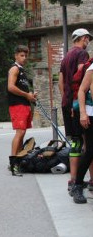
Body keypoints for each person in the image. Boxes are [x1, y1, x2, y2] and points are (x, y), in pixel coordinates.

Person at [59, 28, 93, 191]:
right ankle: (90, 181)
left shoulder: (65, 57)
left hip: (67, 102)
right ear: (84, 38)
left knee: (76, 141)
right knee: (88, 145)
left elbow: (61, 82)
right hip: (78, 104)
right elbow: (80, 79)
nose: (88, 42)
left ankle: (73, 180)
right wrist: (77, 106)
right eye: (88, 39)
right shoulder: (82, 55)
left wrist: (67, 101)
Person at [7, 45, 37, 176]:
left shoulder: (22, 70)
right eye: (21, 55)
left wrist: (31, 95)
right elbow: (11, 87)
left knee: (23, 133)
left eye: (25, 55)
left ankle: (18, 161)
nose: (24, 58)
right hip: (17, 104)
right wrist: (26, 95)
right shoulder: (14, 69)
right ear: (16, 56)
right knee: (20, 132)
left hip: (24, 104)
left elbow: (21, 88)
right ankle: (13, 163)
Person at [70, 61, 93, 203]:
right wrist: (83, 113)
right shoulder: (92, 68)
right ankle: (77, 186)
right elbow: (81, 90)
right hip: (91, 115)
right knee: (90, 151)